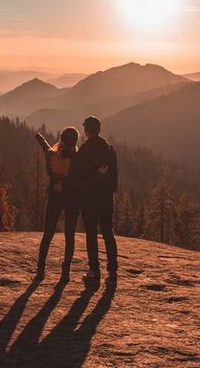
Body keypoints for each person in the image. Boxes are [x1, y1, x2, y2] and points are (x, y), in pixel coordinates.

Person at [73, 115, 118, 286]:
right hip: (106, 198)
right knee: (108, 233)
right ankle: (112, 272)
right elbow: (114, 174)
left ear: (87, 131)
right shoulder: (108, 148)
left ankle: (94, 271)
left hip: (89, 198)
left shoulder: (85, 150)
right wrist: (110, 189)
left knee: (91, 234)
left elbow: (79, 176)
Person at [34, 127, 81, 281]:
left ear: (62, 139)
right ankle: (65, 271)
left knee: (48, 233)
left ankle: (40, 268)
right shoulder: (76, 158)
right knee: (69, 235)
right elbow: (77, 179)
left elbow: (46, 148)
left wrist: (40, 139)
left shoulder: (53, 155)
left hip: (55, 197)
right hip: (72, 199)